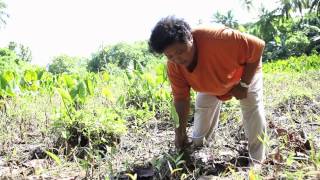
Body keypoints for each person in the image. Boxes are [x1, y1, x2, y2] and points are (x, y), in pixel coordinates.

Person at [148, 16, 267, 164]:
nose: (177, 59)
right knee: (199, 135)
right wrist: (180, 132)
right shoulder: (174, 66)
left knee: (251, 108)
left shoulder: (219, 38)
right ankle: (200, 149)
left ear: (190, 38)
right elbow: (180, 99)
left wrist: (243, 84)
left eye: (180, 51)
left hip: (241, 75)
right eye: (170, 55)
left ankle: (257, 160)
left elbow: (257, 46)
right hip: (210, 83)